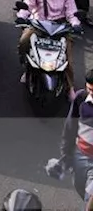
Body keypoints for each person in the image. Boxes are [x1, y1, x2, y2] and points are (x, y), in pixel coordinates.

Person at [18, 0, 82, 95]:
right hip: (39, 25)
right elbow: (27, 5)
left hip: (60, 28)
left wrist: (76, 24)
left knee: (68, 59)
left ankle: (70, 88)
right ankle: (26, 67)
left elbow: (71, 12)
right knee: (24, 41)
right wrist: (22, 17)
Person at [56, 68, 93, 211]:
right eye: (90, 89)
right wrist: (65, 153)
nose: (92, 94)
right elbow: (70, 127)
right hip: (80, 155)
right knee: (81, 187)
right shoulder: (81, 99)